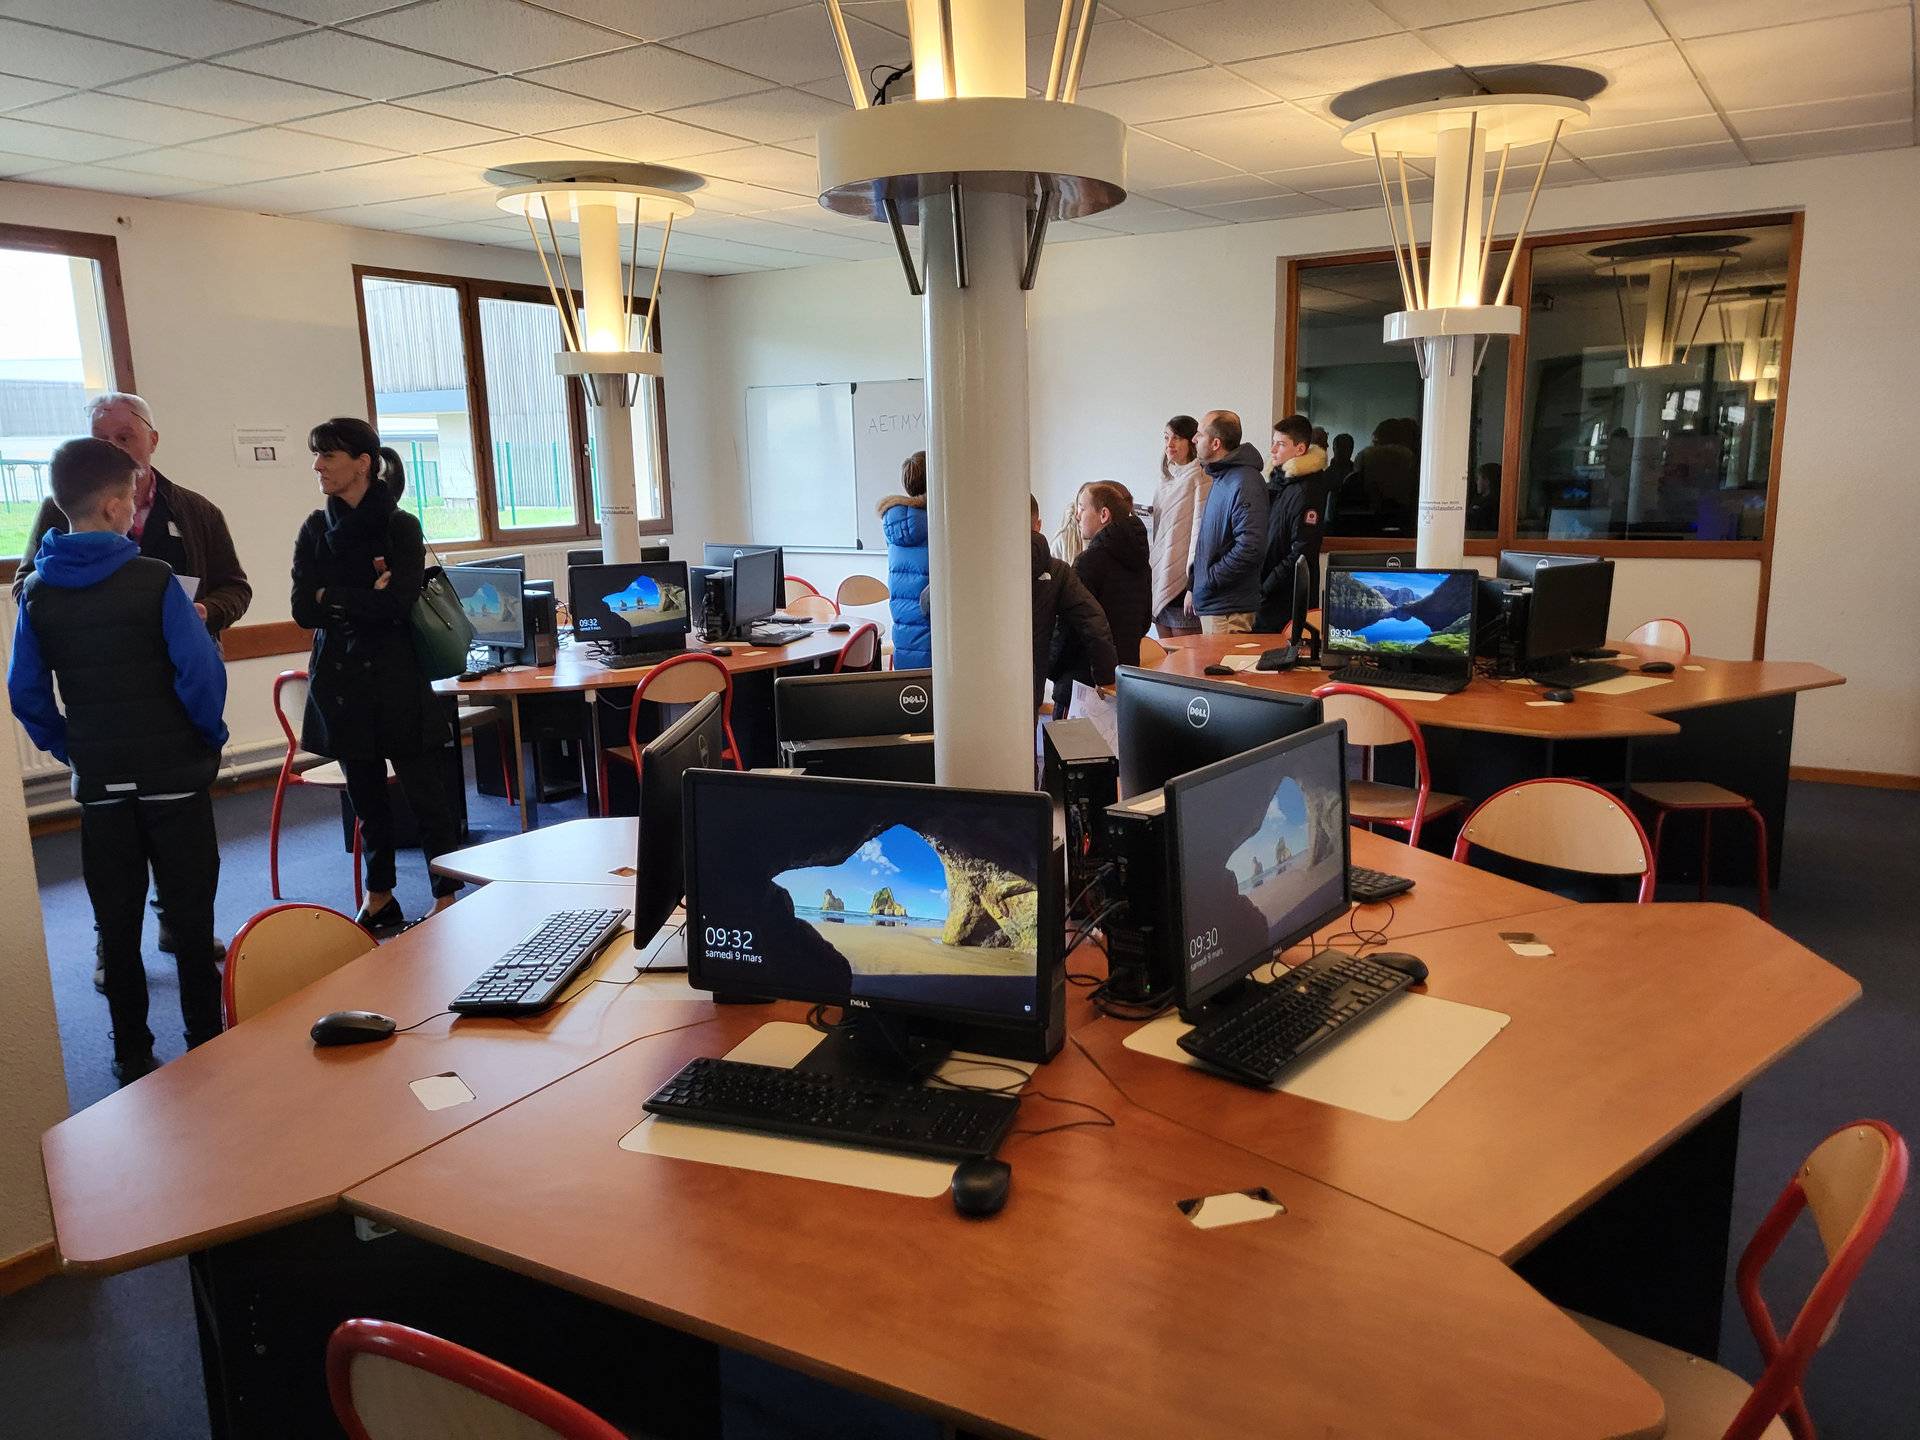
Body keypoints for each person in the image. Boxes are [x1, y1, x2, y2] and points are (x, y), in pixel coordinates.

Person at [8, 438, 228, 1084]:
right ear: (112, 507)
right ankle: (205, 1041)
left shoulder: (38, 592)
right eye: (132, 498)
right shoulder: (154, 580)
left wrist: (69, 746)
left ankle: (131, 1051)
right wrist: (206, 735)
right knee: (191, 921)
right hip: (174, 781)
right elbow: (200, 675)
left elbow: (26, 693)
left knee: (117, 922)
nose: (135, 509)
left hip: (101, 786)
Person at [291, 418, 461, 932]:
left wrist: (332, 596)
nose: (317, 466)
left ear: (362, 463)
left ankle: (447, 894)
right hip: (340, 681)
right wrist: (362, 595)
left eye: (328, 456)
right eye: (316, 455)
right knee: (365, 800)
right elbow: (302, 609)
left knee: (426, 796)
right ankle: (380, 894)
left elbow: (397, 605)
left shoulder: (400, 526)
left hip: (396, 678)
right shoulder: (314, 528)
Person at [13, 392, 251, 636]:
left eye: (124, 438)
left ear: (153, 440)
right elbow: (25, 586)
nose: (113, 448)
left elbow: (235, 588)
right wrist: (75, 615)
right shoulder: (61, 508)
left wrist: (204, 612)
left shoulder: (198, 511)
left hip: (180, 647)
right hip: (91, 650)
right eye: (101, 440)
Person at [1052, 482, 1150, 712]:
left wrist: (1052, 668)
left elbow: (1068, 629)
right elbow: (1145, 621)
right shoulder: (1141, 562)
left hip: (1081, 683)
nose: (1077, 515)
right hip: (1124, 680)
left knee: (1066, 737)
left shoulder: (1088, 562)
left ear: (1103, 514)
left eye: (1082, 507)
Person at [1185, 410, 1268, 633]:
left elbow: (1250, 547)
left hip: (1228, 610)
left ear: (1216, 443)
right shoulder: (1223, 477)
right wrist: (1195, 584)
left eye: (1200, 434)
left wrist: (1209, 580)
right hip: (1215, 603)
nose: (1194, 439)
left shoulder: (1245, 482)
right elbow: (1211, 541)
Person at [1030, 496, 1115, 711]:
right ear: (1038, 525)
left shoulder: (975, 563)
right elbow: (1093, 621)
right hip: (1030, 685)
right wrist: (1105, 678)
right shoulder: (1058, 571)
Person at [1254, 414, 1331, 632]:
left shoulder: (1307, 491)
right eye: (1273, 443)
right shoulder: (1278, 482)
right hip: (1266, 595)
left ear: (1300, 449)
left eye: (1280, 444)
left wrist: (1266, 586)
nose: (1273, 450)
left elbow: (1301, 551)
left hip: (1287, 598)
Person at [1145, 415, 1210, 637]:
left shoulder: (1200, 477)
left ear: (1191, 441)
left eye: (1177, 438)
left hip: (1183, 580)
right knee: (1164, 653)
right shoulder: (1165, 479)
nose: (1169, 444)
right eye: (1166, 438)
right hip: (1159, 572)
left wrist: (1192, 584)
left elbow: (1199, 533)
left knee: (1184, 654)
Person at [878, 451, 930, 669]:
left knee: (911, 688)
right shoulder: (939, 523)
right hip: (934, 636)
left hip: (904, 634)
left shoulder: (893, 523)